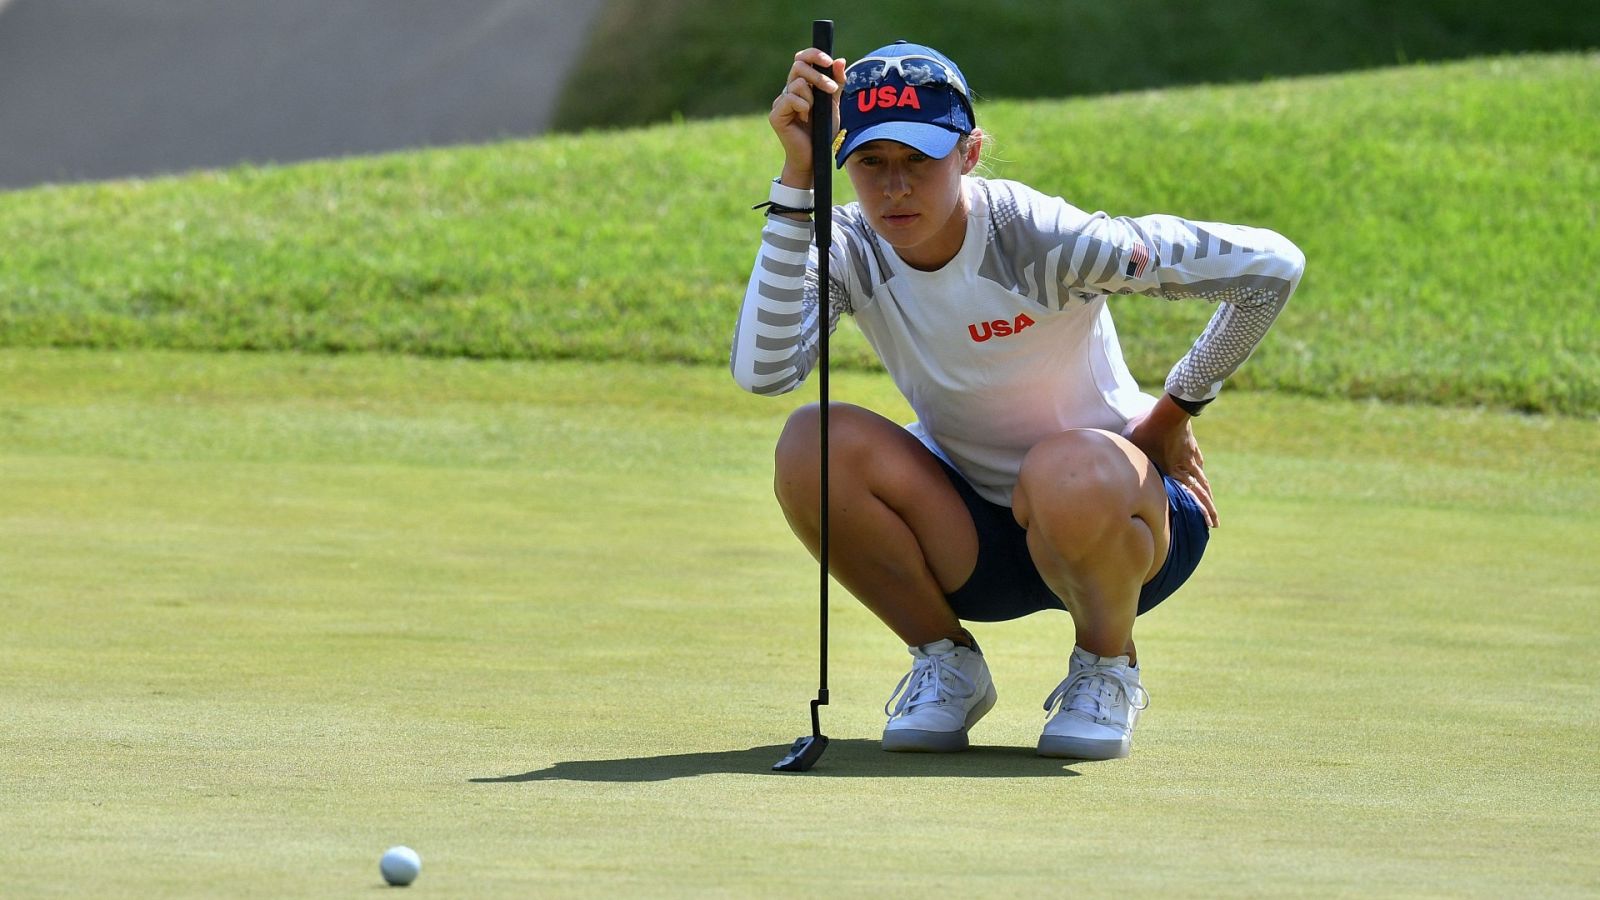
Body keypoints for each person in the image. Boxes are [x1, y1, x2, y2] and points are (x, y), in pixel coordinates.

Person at [730, 40, 1304, 760]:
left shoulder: (1043, 239)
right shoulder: (851, 245)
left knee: (1064, 468)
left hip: (1123, 521)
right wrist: (797, 180)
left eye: (919, 160)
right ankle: (947, 662)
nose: (895, 187)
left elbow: (1272, 268)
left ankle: (1106, 666)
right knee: (810, 444)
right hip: (973, 541)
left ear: (968, 154)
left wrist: (1176, 407)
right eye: (871, 162)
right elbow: (765, 370)